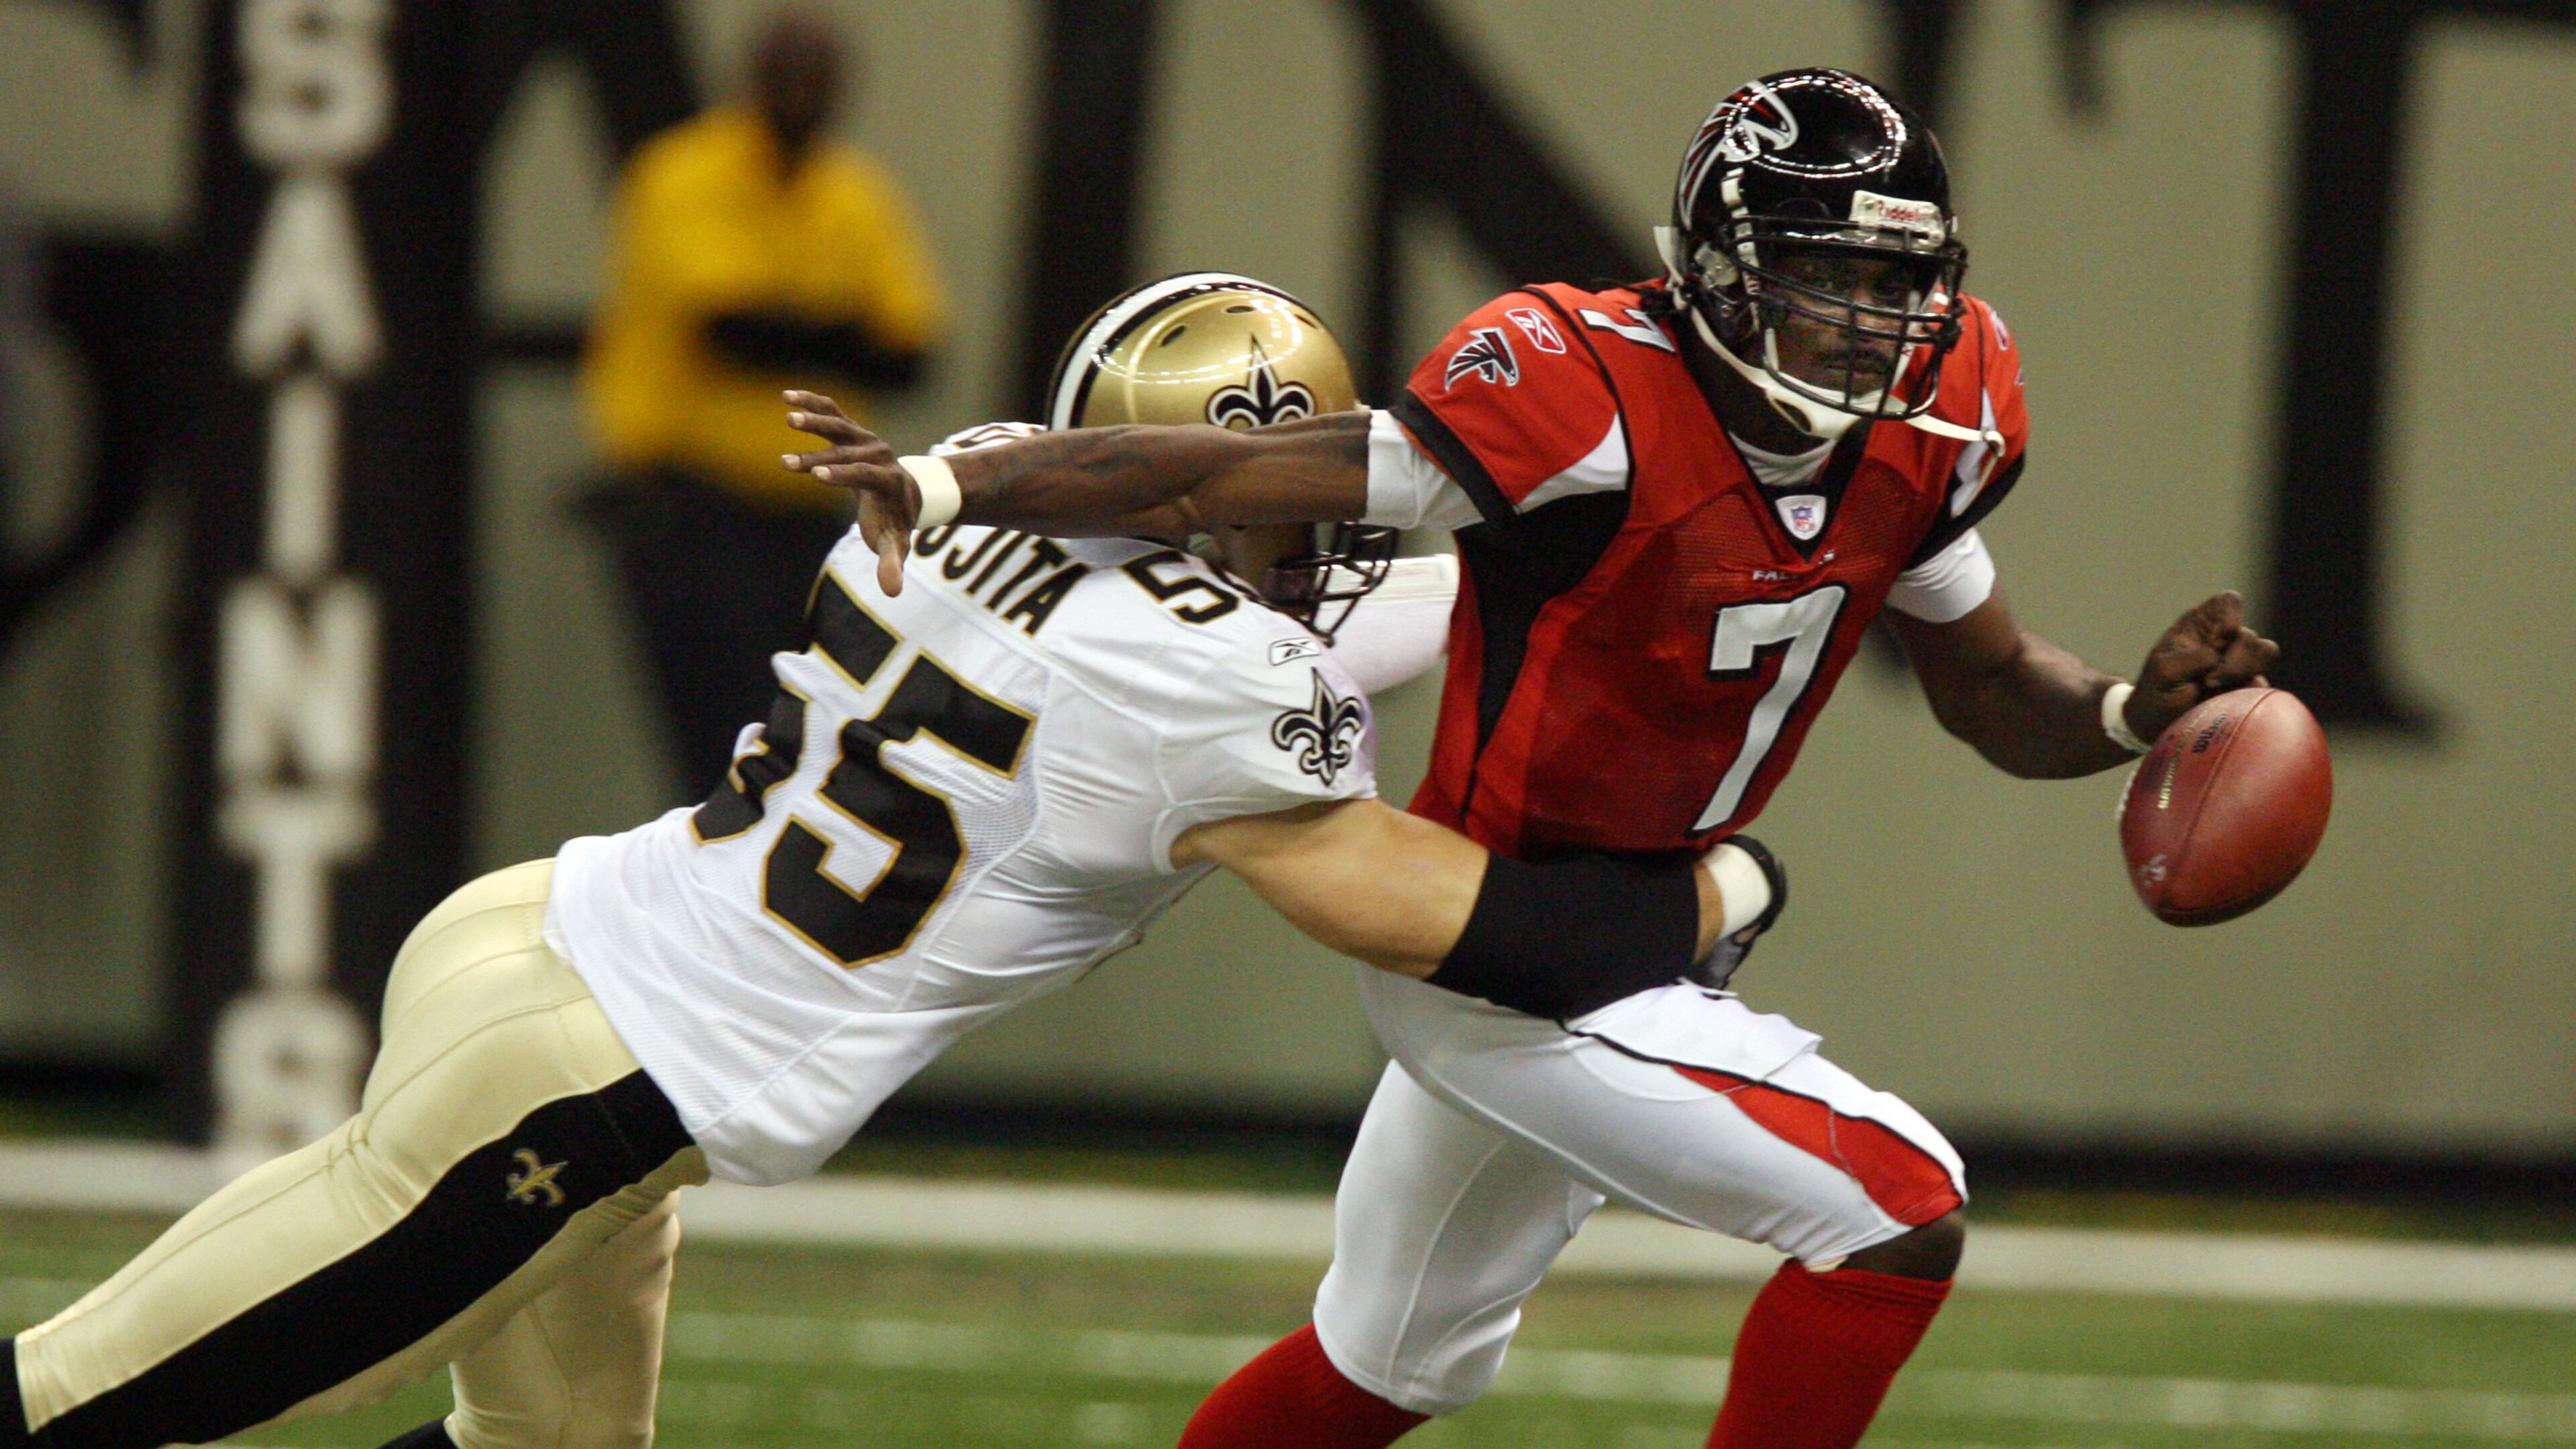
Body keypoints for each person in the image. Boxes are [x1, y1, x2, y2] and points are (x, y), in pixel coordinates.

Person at [0, 276, 1777, 1449]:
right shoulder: (1213, 682)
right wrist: (1715, 896)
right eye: (1306, 490)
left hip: (546, 943)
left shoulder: (992, 488)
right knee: (76, 1404)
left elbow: (1377, 597)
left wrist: (1597, 542)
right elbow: (1438, 918)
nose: (1340, 525)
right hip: (588, 1081)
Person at [790, 69, 2281, 1449]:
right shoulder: (1579, 390)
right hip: (1500, 945)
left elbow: (1995, 686)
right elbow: (1220, 471)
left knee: (1390, 1364)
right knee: (1897, 1209)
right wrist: (951, 478)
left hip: (1635, 942)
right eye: (1829, 271)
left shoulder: (1940, 421)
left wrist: (2128, 719)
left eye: (1898, 275)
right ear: (1721, 267)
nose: (1871, 315)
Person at [580, 7, 945, 797]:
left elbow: (912, 356)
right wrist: (840, 333)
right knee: (710, 740)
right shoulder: (684, 172)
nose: (803, 96)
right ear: (750, 80)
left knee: (798, 735)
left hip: (807, 514)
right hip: (687, 503)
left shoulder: (853, 193)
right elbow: (731, 331)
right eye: (787, 76)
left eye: (819, 80)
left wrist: (797, 330)